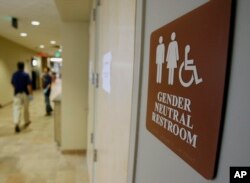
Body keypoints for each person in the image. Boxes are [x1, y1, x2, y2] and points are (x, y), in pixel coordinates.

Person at [11, 61, 32, 133]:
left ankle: (16, 123)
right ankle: (26, 121)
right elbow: (28, 85)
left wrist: (16, 88)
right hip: (25, 93)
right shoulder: (26, 75)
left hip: (16, 93)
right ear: (23, 67)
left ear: (17, 67)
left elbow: (12, 83)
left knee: (16, 108)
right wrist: (30, 94)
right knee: (26, 108)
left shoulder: (14, 74)